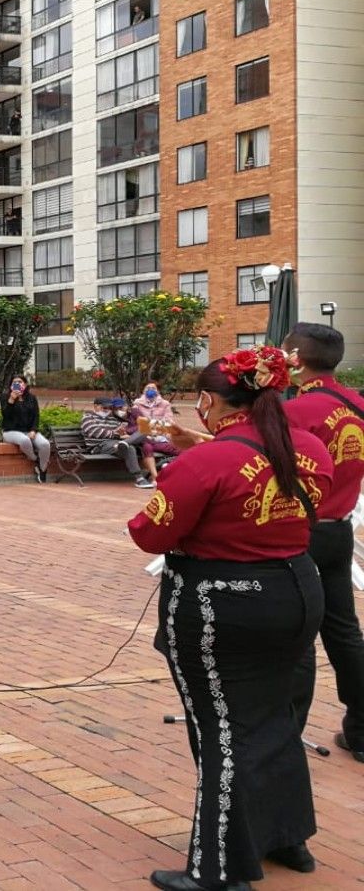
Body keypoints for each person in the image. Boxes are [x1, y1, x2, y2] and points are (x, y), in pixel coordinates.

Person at [130, 346, 331, 890]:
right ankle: (286, 837)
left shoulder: (207, 461)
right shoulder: (309, 448)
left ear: (211, 402)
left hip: (223, 603)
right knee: (275, 719)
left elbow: (149, 531)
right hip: (295, 592)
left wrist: (192, 458)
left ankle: (218, 868)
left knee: (221, 730)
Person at [283, 322, 364, 760]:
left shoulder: (296, 411)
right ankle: (362, 729)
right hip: (338, 529)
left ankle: (287, 738)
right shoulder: (357, 403)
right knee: (344, 631)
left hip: (301, 530)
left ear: (294, 358)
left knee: (298, 633)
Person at [80, 397, 154, 488]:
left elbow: (123, 432)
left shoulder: (113, 419)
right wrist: (117, 435)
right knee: (128, 447)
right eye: (104, 408)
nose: (107, 410)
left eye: (109, 408)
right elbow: (95, 432)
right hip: (99, 445)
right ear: (95, 406)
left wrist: (124, 434)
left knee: (144, 431)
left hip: (115, 444)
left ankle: (125, 444)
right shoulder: (88, 417)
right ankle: (139, 478)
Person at [1, 374, 50, 482]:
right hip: (11, 431)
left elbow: (36, 416)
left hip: (29, 431)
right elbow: (6, 415)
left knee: (45, 444)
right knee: (24, 440)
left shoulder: (32, 398)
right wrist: (11, 400)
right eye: (15, 382)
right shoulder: (6, 397)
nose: (18, 384)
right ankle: (35, 459)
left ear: (25, 384)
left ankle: (42, 469)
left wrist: (33, 430)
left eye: (20, 382)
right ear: (11, 385)